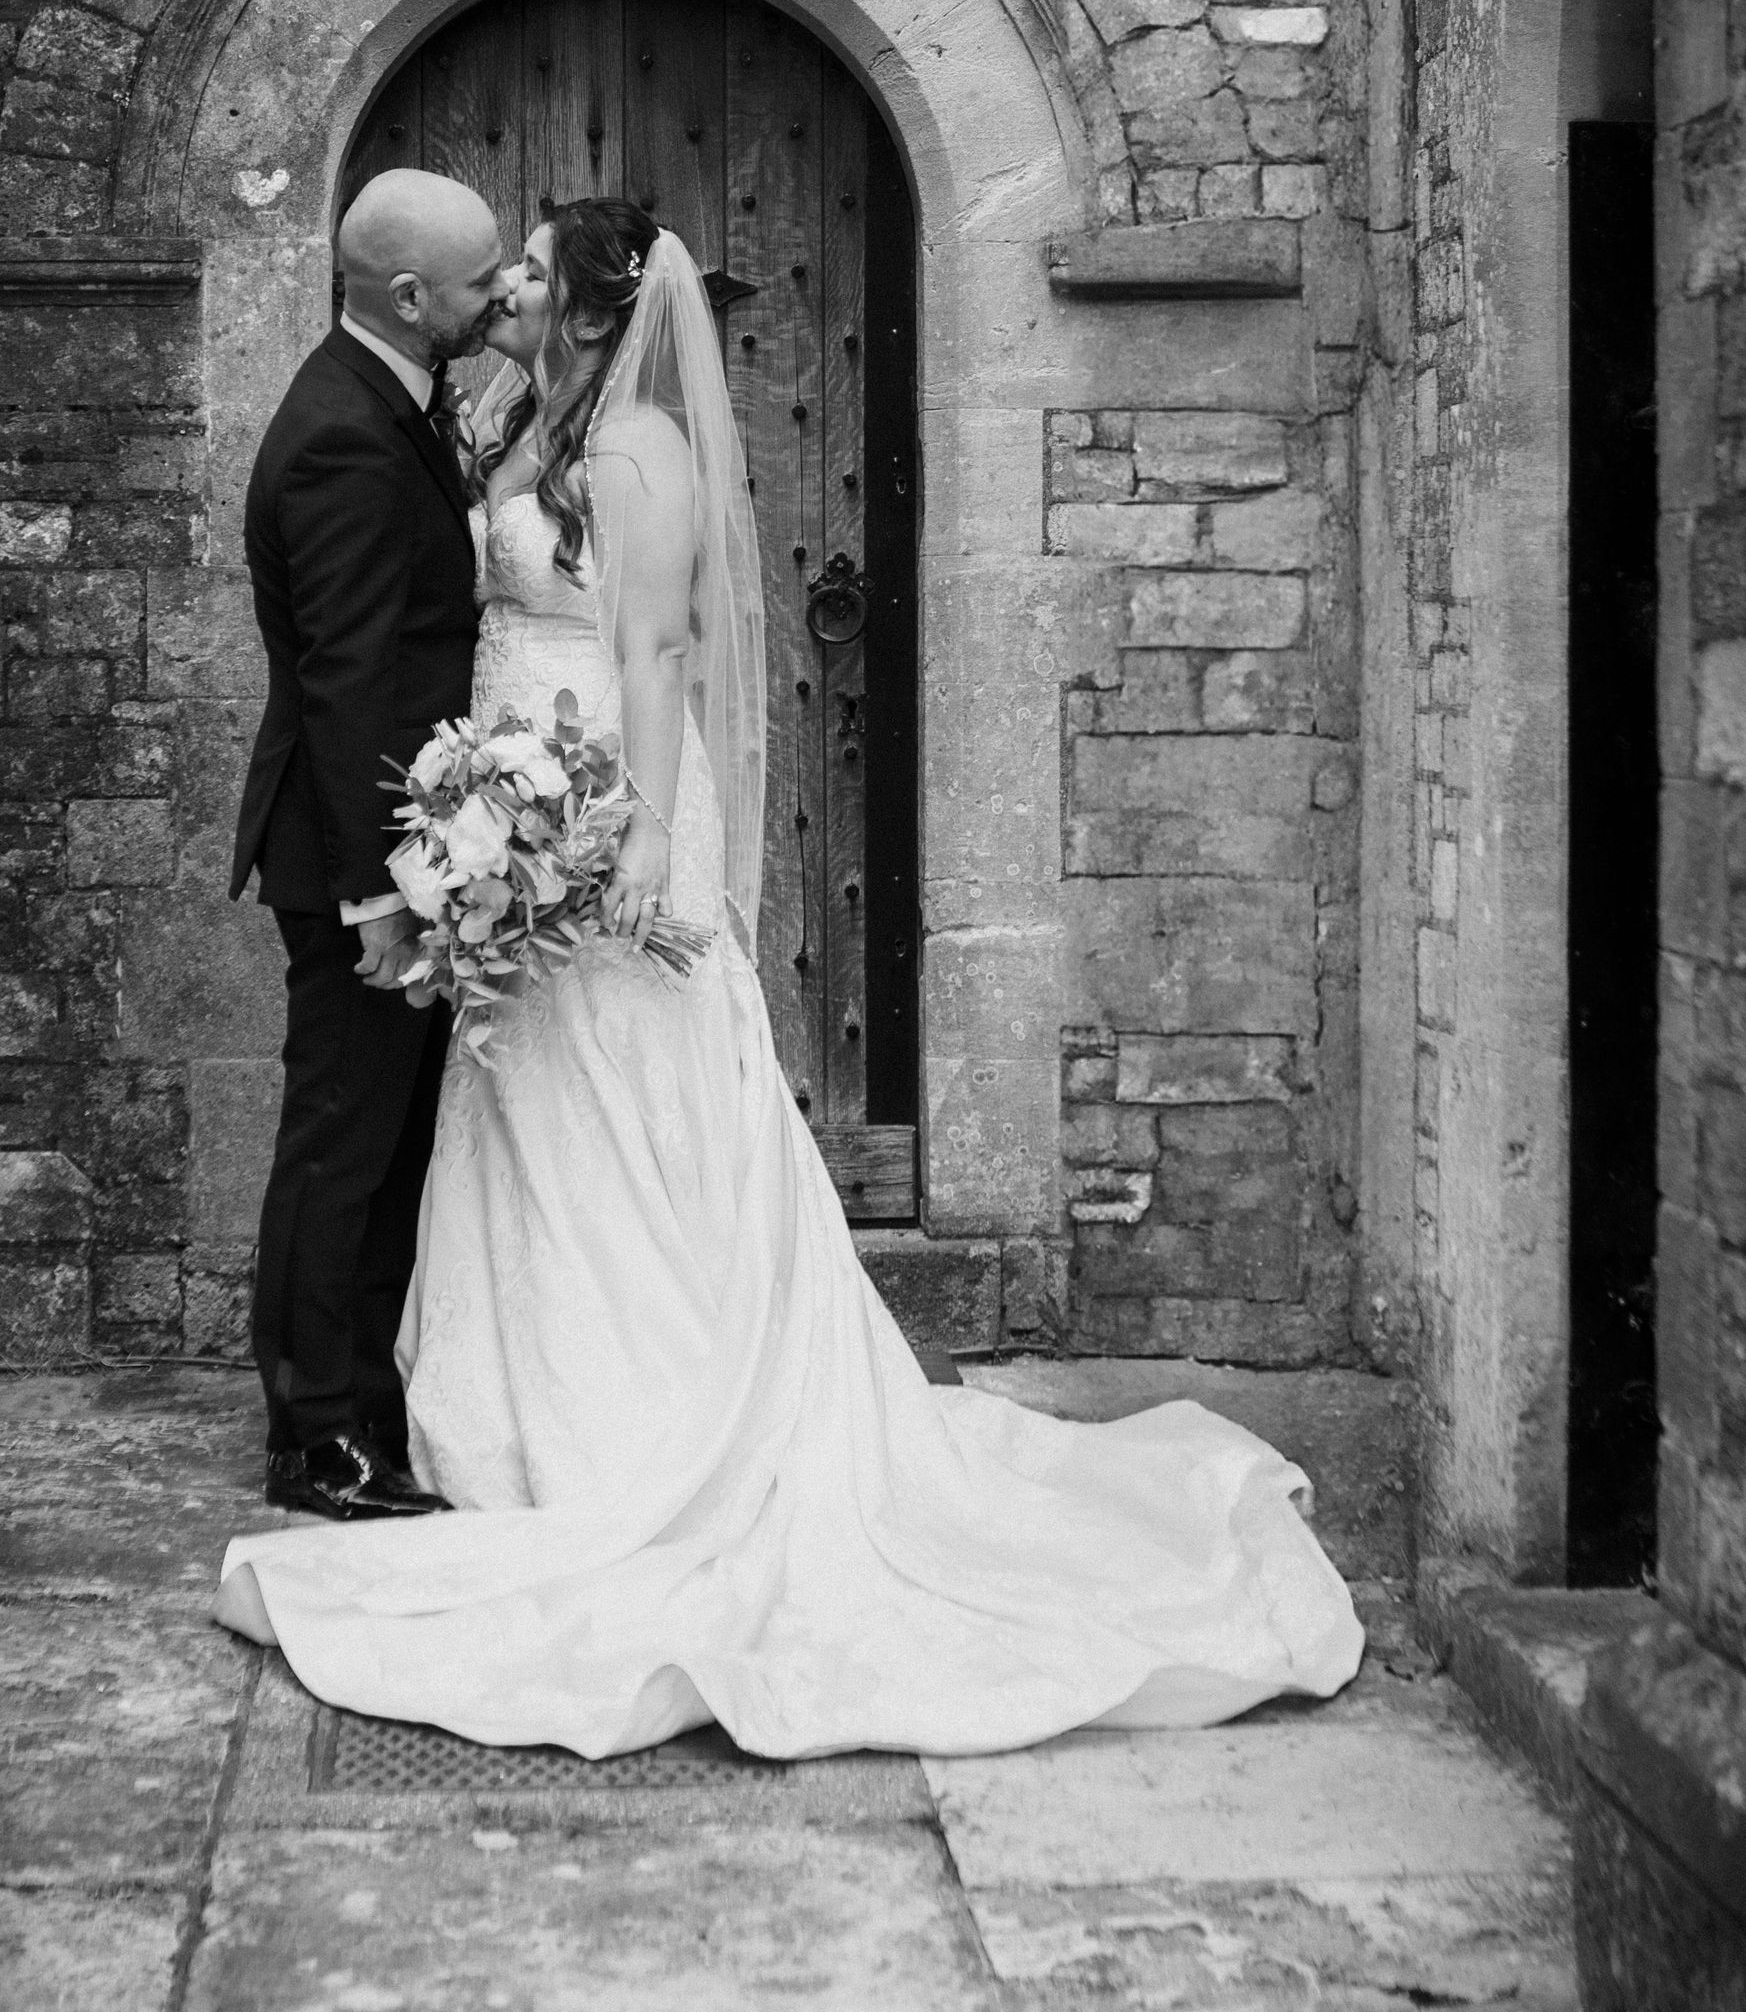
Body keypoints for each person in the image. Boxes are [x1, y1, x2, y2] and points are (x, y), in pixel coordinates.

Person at [214, 201, 1365, 1756]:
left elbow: (660, 660)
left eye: (535, 271)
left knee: (600, 1110)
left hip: (587, 817)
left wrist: (625, 839)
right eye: (497, 271)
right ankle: (429, 1421)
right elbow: (382, 647)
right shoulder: (493, 423)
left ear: (598, 310)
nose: (510, 292)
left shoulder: (634, 455)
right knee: (466, 1124)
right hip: (487, 819)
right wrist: (455, 840)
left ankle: (617, 1415)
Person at [231, 169, 512, 1524]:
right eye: (477, 281)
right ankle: (316, 1437)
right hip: (358, 861)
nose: (496, 294)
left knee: (382, 1141)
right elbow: (346, 684)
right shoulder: (343, 433)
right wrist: (374, 897)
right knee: (340, 1144)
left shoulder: (394, 401)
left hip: (404, 849)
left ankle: (366, 1403)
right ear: (410, 298)